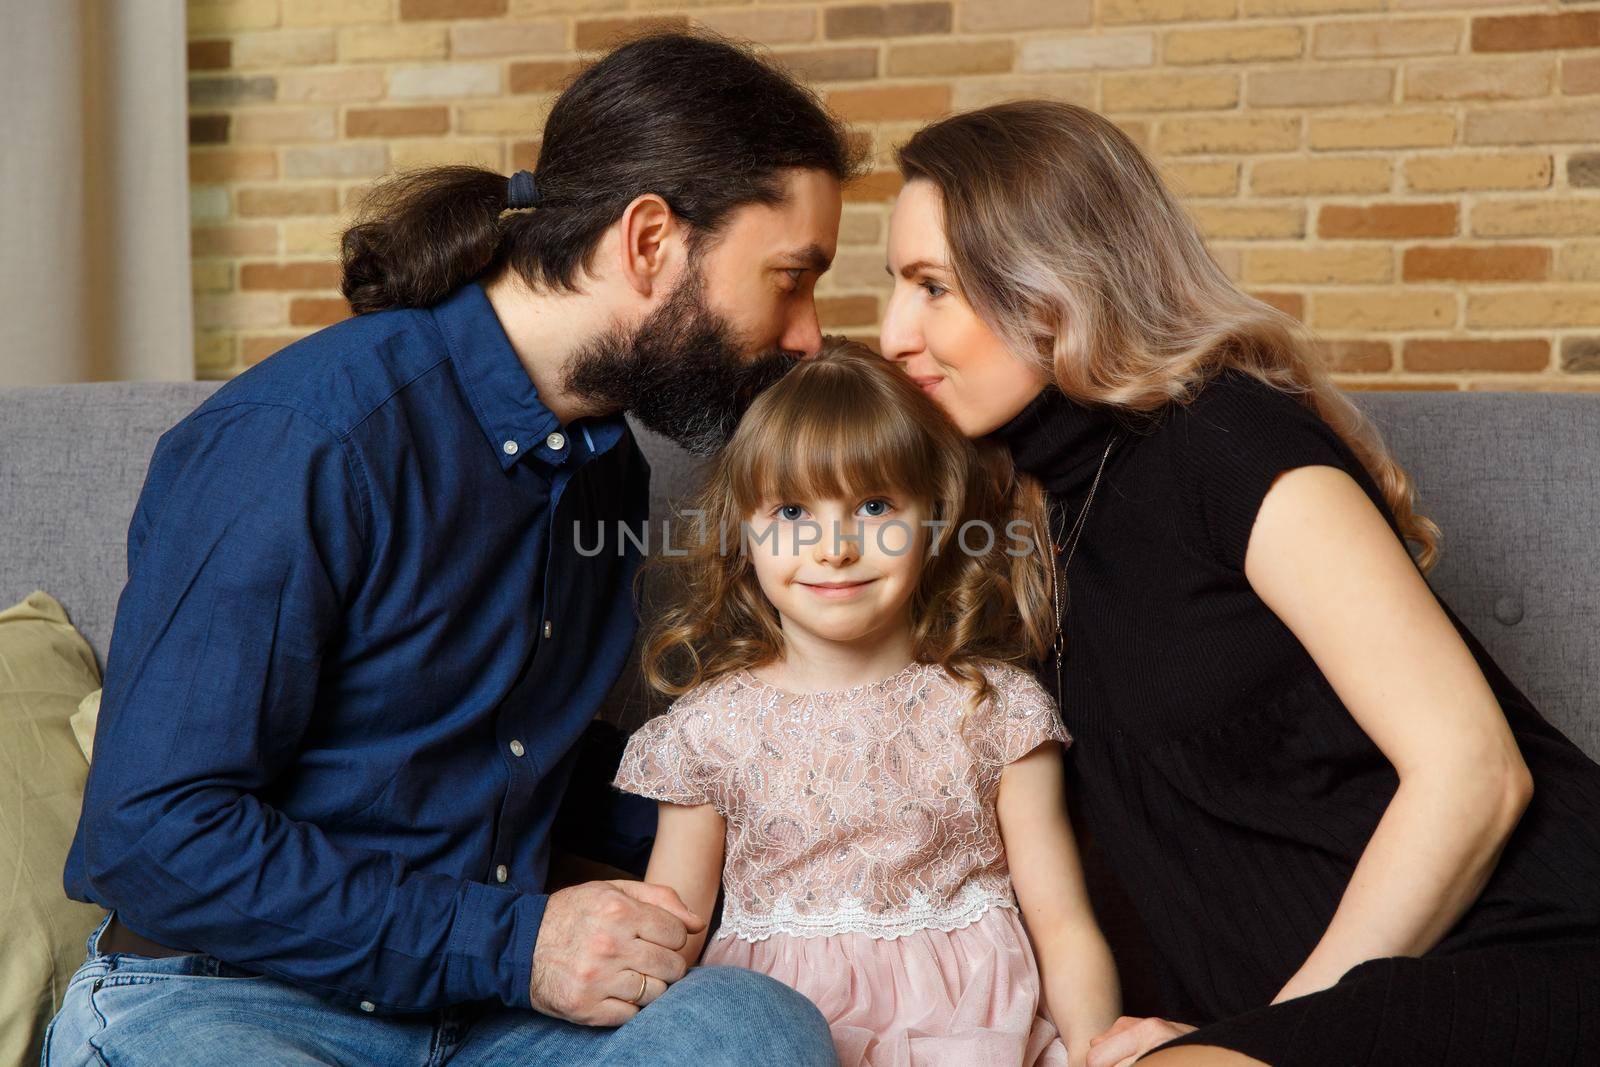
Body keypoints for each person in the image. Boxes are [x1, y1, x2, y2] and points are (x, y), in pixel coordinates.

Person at [44, 32, 861, 1066]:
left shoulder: (605, 464)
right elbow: (151, 833)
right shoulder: (306, 439)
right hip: (228, 1000)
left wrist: (803, 798)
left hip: (474, 1016)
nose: (805, 334)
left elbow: (502, 761)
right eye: (789, 278)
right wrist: (518, 943)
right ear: (650, 239)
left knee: (754, 1025)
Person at [878, 99, 1600, 1067]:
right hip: (1311, 1011)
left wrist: (1274, 1032)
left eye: (931, 287)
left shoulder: (1224, 436)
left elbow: (1472, 769)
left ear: (1054, 284)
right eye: (894, 284)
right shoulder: (1029, 514)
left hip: (1525, 950)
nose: (890, 333)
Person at [611, 342, 1122, 1066]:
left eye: (875, 505)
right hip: (785, 1039)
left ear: (933, 516)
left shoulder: (995, 710)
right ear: (744, 529)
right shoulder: (707, 733)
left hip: (978, 1037)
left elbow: (1065, 926)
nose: (834, 547)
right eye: (791, 510)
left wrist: (1099, 1050)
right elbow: (669, 939)